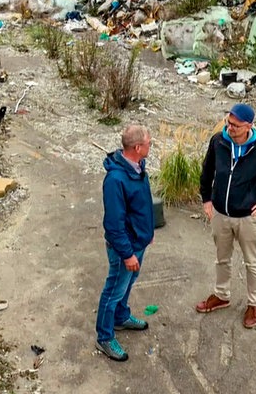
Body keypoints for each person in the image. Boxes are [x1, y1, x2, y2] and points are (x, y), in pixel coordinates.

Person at [195, 103, 256, 329]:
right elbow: (207, 170)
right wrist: (206, 199)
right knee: (222, 258)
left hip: (248, 217)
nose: (230, 128)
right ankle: (221, 295)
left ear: (249, 126)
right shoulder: (218, 141)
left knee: (252, 263)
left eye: (236, 125)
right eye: (228, 123)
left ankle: (253, 305)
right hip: (220, 214)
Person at [95, 124, 155, 362]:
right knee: (114, 290)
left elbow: (142, 205)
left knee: (128, 283)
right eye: (149, 143)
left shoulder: (138, 168)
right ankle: (104, 337)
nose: (151, 145)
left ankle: (121, 317)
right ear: (138, 147)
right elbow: (114, 224)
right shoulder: (115, 180)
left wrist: (147, 231)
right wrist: (128, 254)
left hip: (138, 242)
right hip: (125, 248)